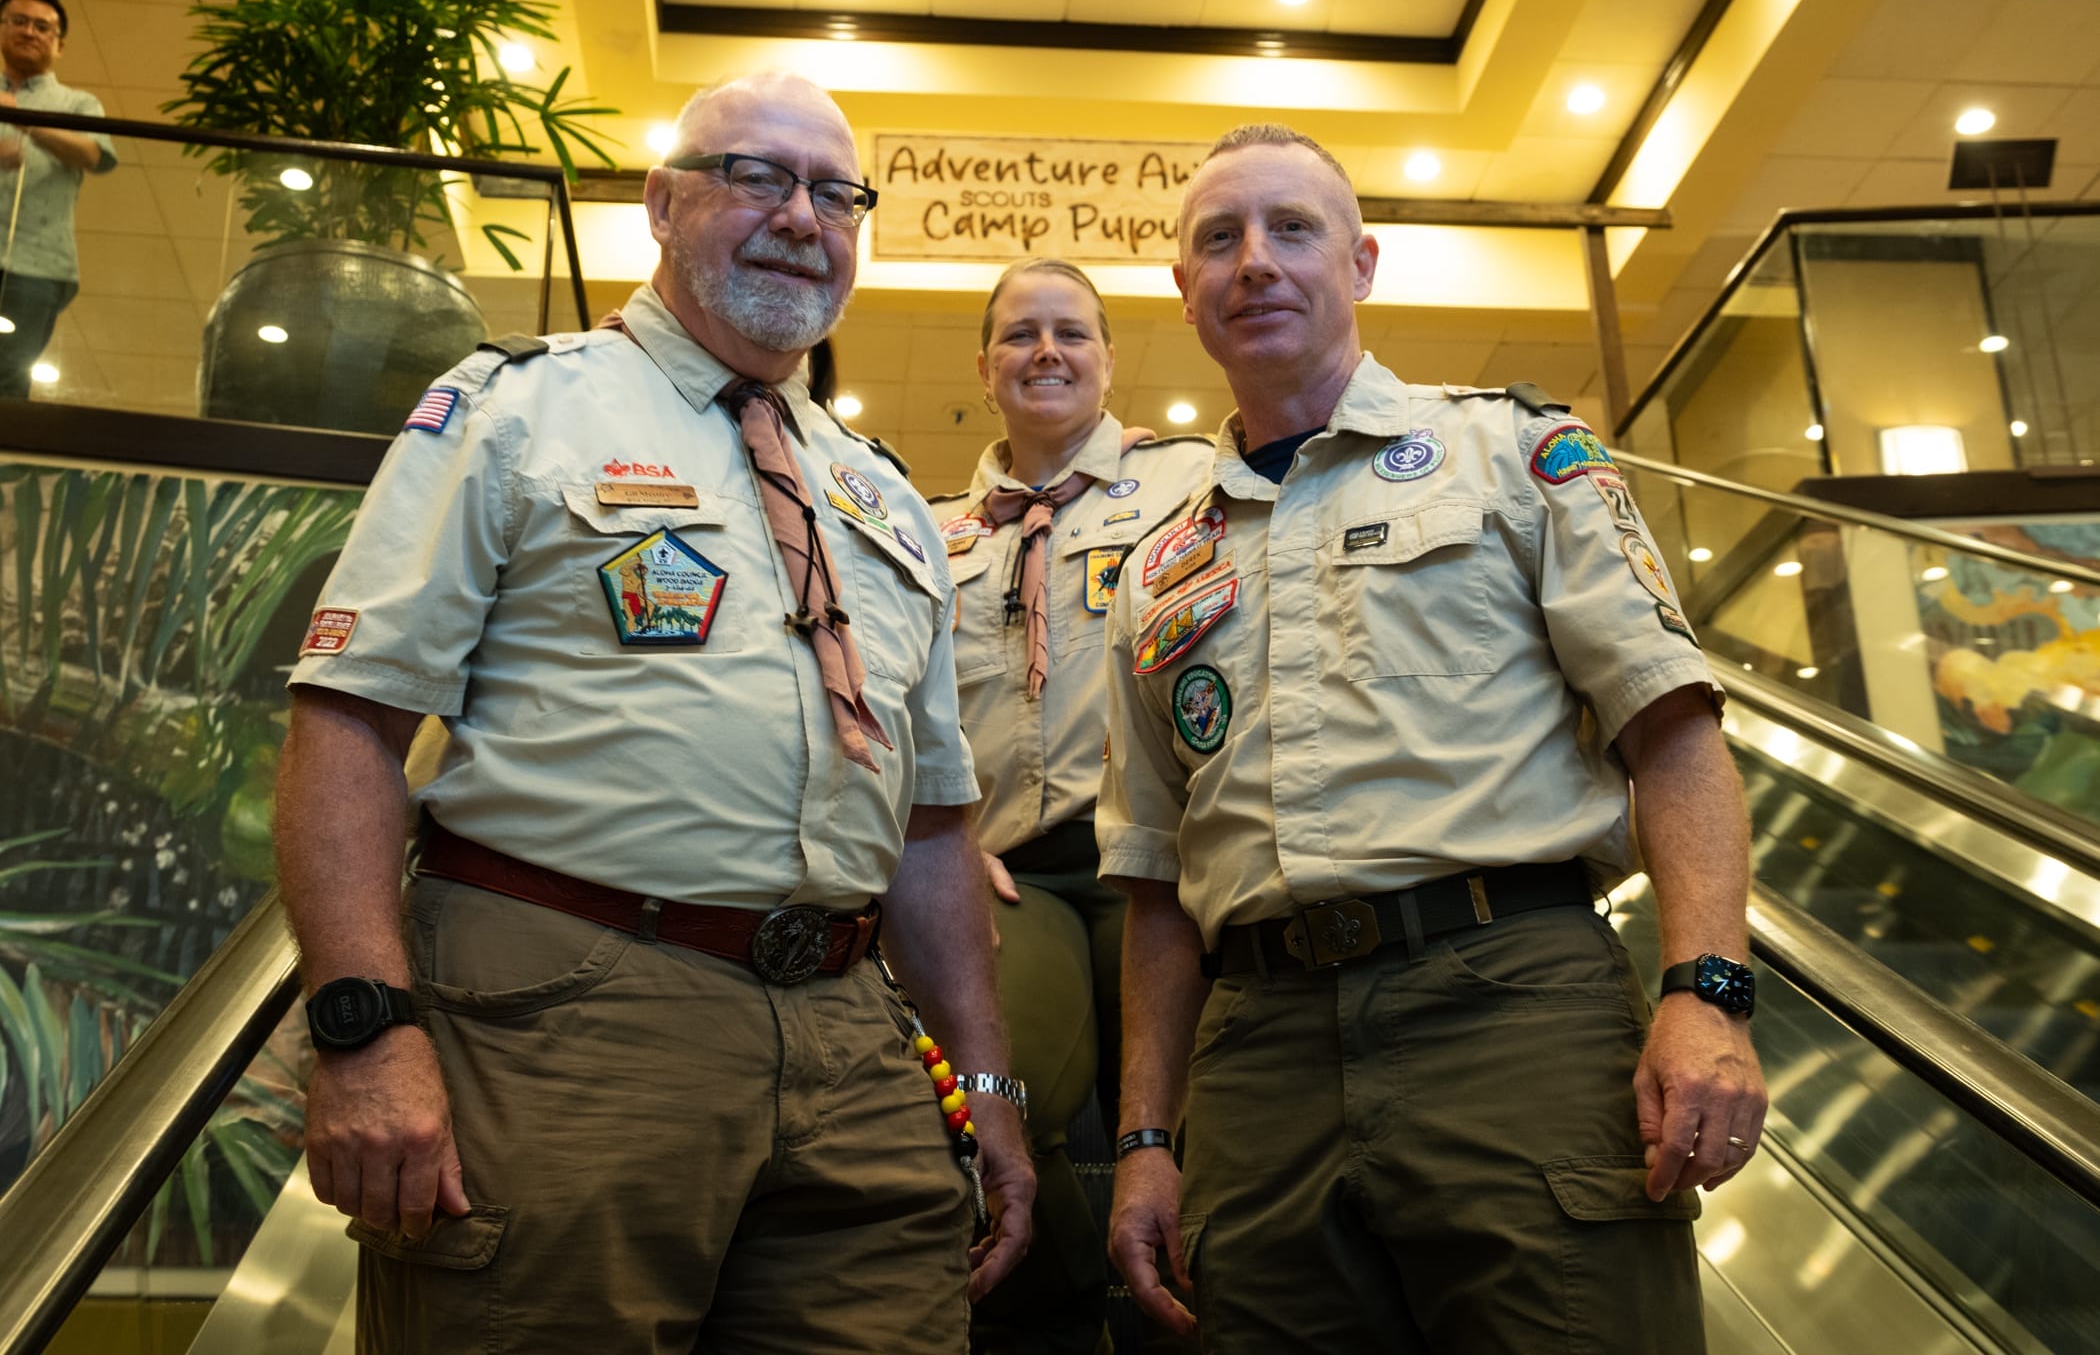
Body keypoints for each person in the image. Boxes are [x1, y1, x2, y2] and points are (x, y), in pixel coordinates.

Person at [275, 72, 1032, 1354]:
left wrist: (989, 1082)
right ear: (663, 204)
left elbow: (933, 827)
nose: (801, 216)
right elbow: (349, 723)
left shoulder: (889, 497)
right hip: (567, 1010)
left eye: (835, 193)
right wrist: (364, 1030)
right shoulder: (517, 407)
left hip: (852, 1035)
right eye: (757, 177)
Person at [1098, 123, 1769, 1352]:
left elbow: (1673, 735)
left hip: (1511, 1005)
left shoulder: (1513, 453)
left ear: (1360, 263)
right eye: (1220, 239)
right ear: (1185, 291)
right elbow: (1153, 880)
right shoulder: (1154, 569)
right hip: (1258, 1056)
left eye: (1292, 229)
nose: (1255, 261)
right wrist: (1146, 1134)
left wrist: (1708, 993)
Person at [927, 259, 1211, 1354]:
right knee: (1001, 1100)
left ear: (1107, 358)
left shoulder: (1191, 482)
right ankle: (1049, 1318)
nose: (1046, 351)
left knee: (1198, 1114)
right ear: (983, 366)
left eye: (1072, 332)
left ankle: (1194, 1317)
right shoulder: (928, 531)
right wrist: (942, 840)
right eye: (1020, 334)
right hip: (1012, 871)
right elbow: (891, 705)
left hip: (1162, 864)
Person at [0, 0, 114, 398]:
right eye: (19, 21)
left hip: (38, 264)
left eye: (42, 26)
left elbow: (93, 154)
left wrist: (27, 122)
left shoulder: (79, 104)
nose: (29, 32)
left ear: (59, 44)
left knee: (9, 378)